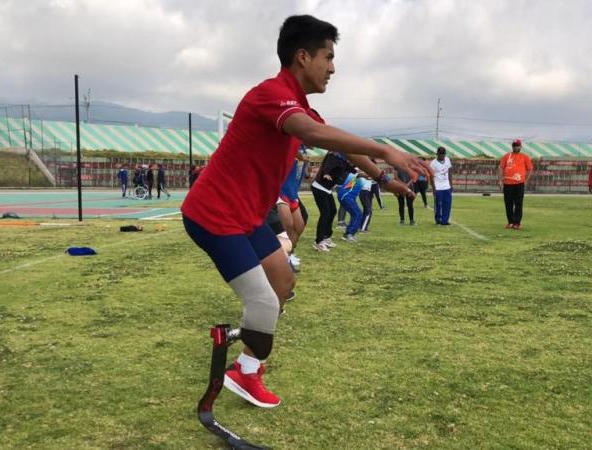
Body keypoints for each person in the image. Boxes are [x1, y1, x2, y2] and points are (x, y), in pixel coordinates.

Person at [180, 14, 428, 408]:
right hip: (213, 215)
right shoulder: (271, 95)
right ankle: (246, 370)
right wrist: (386, 149)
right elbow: (312, 134)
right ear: (302, 56)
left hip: (247, 217)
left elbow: (344, 148)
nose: (332, 67)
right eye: (327, 56)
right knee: (262, 301)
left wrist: (384, 181)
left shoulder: (301, 107)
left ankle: (244, 367)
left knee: (283, 282)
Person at [311, 150, 355, 252]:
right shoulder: (334, 155)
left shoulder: (344, 160)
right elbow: (327, 165)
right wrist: (326, 173)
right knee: (325, 213)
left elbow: (350, 169)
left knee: (332, 211)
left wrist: (359, 171)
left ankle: (326, 237)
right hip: (319, 187)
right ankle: (319, 241)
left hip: (327, 189)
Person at [499, 139, 533, 229]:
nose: (515, 147)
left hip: (519, 184)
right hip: (507, 183)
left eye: (517, 145)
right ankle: (510, 222)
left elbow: (530, 169)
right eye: (514, 145)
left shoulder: (525, 157)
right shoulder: (506, 156)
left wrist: (526, 181)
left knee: (518, 203)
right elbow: (501, 167)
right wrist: (500, 180)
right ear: (512, 146)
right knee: (508, 203)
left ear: (520, 146)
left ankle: (517, 223)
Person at [337, 170, 367, 241]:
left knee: (355, 214)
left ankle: (347, 234)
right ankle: (349, 234)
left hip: (347, 197)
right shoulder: (358, 177)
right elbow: (357, 177)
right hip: (346, 197)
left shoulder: (357, 178)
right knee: (357, 214)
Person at [430, 147, 453, 225]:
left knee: (447, 204)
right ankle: (438, 219)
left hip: (447, 186)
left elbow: (449, 172)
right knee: (438, 205)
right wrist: (433, 188)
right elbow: (431, 176)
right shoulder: (433, 163)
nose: (442, 156)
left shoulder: (447, 160)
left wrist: (451, 184)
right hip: (438, 187)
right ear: (437, 154)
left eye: (443, 154)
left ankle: (445, 220)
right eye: (440, 154)